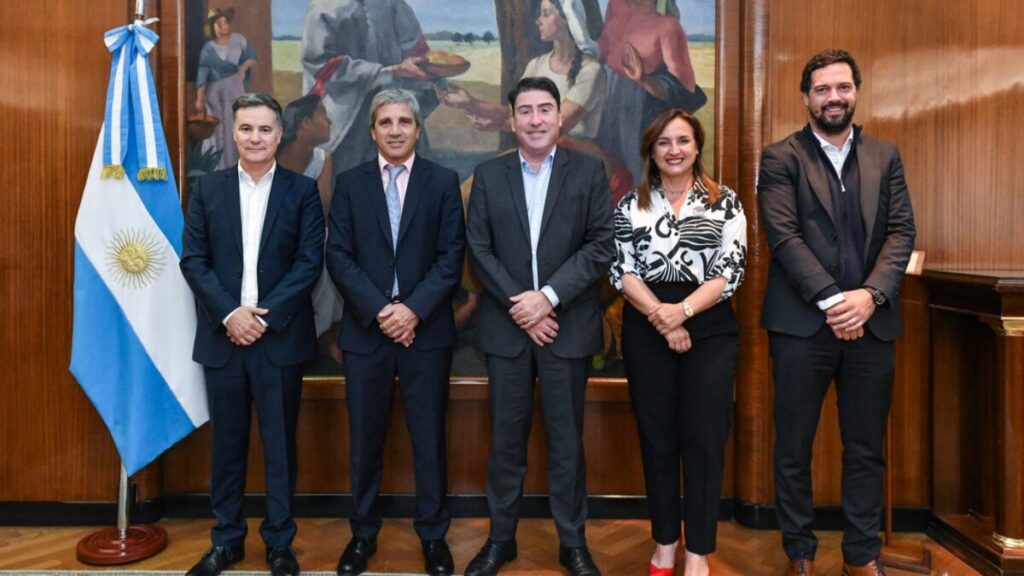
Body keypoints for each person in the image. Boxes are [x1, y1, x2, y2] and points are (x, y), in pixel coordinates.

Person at [758, 49, 916, 576]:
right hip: (803, 327)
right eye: (822, 89)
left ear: (856, 91)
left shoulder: (885, 156)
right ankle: (799, 553)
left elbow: (901, 233)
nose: (833, 97)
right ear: (806, 97)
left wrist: (868, 298)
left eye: (842, 87)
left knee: (866, 448)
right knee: (794, 447)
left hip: (872, 324)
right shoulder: (780, 158)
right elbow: (783, 237)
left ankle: (861, 555)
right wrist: (833, 301)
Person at [464, 76, 614, 576]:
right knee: (506, 441)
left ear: (558, 116)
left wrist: (547, 299)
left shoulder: (590, 171)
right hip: (508, 330)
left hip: (566, 326)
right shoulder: (488, 174)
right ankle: (500, 540)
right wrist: (521, 306)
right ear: (511, 121)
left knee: (567, 442)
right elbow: (478, 248)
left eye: (544, 109)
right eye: (524, 111)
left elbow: (599, 245)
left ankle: (573, 543)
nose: (535, 119)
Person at [180, 93, 325, 576]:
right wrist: (230, 315)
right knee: (227, 445)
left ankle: (280, 543)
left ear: (279, 135)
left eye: (265, 129)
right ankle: (226, 541)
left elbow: (309, 263)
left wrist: (262, 318)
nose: (255, 138)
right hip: (224, 339)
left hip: (278, 339)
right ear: (233, 133)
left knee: (280, 446)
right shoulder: (207, 190)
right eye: (246, 129)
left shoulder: (302, 191)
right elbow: (194, 261)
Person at [326, 89, 465, 576]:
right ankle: (362, 534)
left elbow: (451, 258)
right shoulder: (349, 184)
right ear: (372, 130)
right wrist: (384, 311)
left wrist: (412, 312)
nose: (395, 129)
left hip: (425, 333)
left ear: (417, 128)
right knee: (364, 439)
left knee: (429, 438)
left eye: (405, 121)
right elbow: (338, 256)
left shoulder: (443, 182)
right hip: (367, 333)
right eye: (385, 121)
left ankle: (433, 536)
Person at [610, 109, 746, 576]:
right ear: (651, 150)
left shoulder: (725, 203)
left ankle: (698, 551)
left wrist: (683, 313)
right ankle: (666, 542)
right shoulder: (631, 205)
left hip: (709, 329)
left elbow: (731, 273)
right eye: (664, 142)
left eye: (683, 141)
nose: (674, 150)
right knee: (658, 438)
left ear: (697, 147)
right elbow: (622, 271)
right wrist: (663, 319)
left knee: (705, 441)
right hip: (647, 326)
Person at [301, 0, 440, 176]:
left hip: (393, 106)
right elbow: (320, 64)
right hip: (346, 118)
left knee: (411, 179)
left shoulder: (393, 3)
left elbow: (415, 49)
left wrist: (429, 75)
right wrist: (389, 72)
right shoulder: (323, 6)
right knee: (349, 182)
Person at [435, 0, 606, 139]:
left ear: (569, 19)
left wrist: (501, 125)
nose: (538, 20)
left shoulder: (591, 71)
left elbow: (557, 125)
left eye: (546, 14)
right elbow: (512, 111)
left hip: (579, 158)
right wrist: (469, 102)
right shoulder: (537, 65)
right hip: (541, 153)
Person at [596, 0, 706, 188]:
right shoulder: (614, 18)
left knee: (638, 176)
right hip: (608, 106)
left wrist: (643, 80)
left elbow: (682, 89)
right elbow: (599, 58)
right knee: (607, 169)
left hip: (640, 113)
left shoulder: (667, 26)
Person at [277, 94, 344, 364]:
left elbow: (322, 208)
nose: (329, 121)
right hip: (276, 236)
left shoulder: (322, 159)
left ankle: (325, 336)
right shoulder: (274, 155)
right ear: (304, 123)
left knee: (328, 252)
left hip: (312, 234)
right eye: (322, 115)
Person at [194, 7, 256, 171]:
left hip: (235, 90)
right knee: (218, 130)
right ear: (211, 27)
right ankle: (219, 168)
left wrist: (243, 68)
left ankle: (236, 166)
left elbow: (252, 58)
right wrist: (199, 100)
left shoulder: (239, 40)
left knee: (234, 126)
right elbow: (202, 74)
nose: (223, 26)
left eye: (225, 22)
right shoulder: (208, 48)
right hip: (214, 95)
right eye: (218, 23)